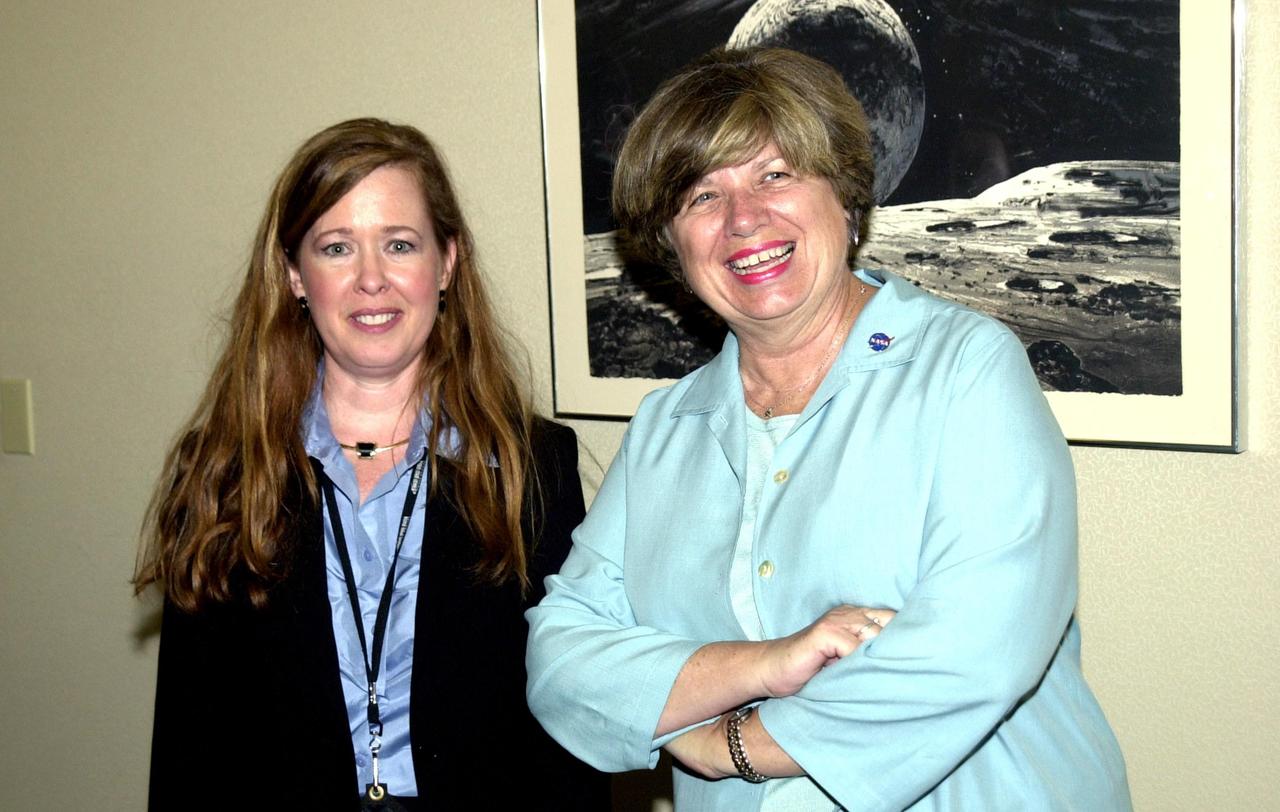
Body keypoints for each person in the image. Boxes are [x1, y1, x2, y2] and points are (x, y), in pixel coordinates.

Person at [526, 48, 1131, 811]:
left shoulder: (966, 372)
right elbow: (562, 655)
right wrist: (765, 665)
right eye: (702, 196)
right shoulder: (663, 430)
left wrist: (719, 743)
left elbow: (974, 655)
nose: (744, 219)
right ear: (672, 245)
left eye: (776, 175)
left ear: (845, 198)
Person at [135, 118, 608, 810]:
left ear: (446, 263)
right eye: (335, 248)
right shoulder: (220, 472)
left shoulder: (531, 465)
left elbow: (570, 731)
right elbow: (190, 746)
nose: (371, 280)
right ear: (295, 274)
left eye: (399, 244)